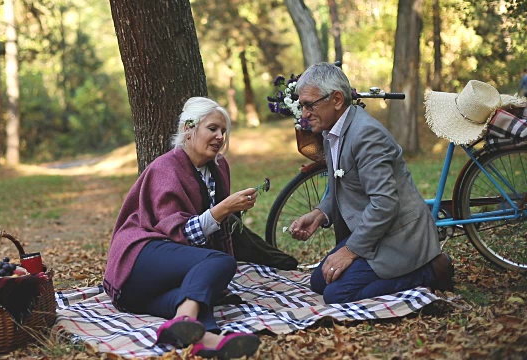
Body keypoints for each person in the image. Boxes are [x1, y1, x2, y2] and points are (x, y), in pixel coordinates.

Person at [103, 97, 261, 359]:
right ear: (189, 128)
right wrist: (224, 208)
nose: (220, 136)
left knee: (197, 294)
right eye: (213, 128)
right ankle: (187, 320)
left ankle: (205, 338)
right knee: (219, 263)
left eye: (223, 131)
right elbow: (180, 234)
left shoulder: (219, 167)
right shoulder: (166, 168)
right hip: (139, 260)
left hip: (140, 296)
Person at [287, 63, 454, 304]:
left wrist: (350, 250)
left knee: (337, 295)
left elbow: (385, 203)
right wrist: (320, 214)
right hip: (375, 229)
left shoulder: (366, 135)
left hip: (398, 235)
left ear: (336, 100)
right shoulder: (331, 131)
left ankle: (432, 270)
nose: (304, 114)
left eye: (310, 105)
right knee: (319, 283)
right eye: (302, 105)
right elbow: (344, 187)